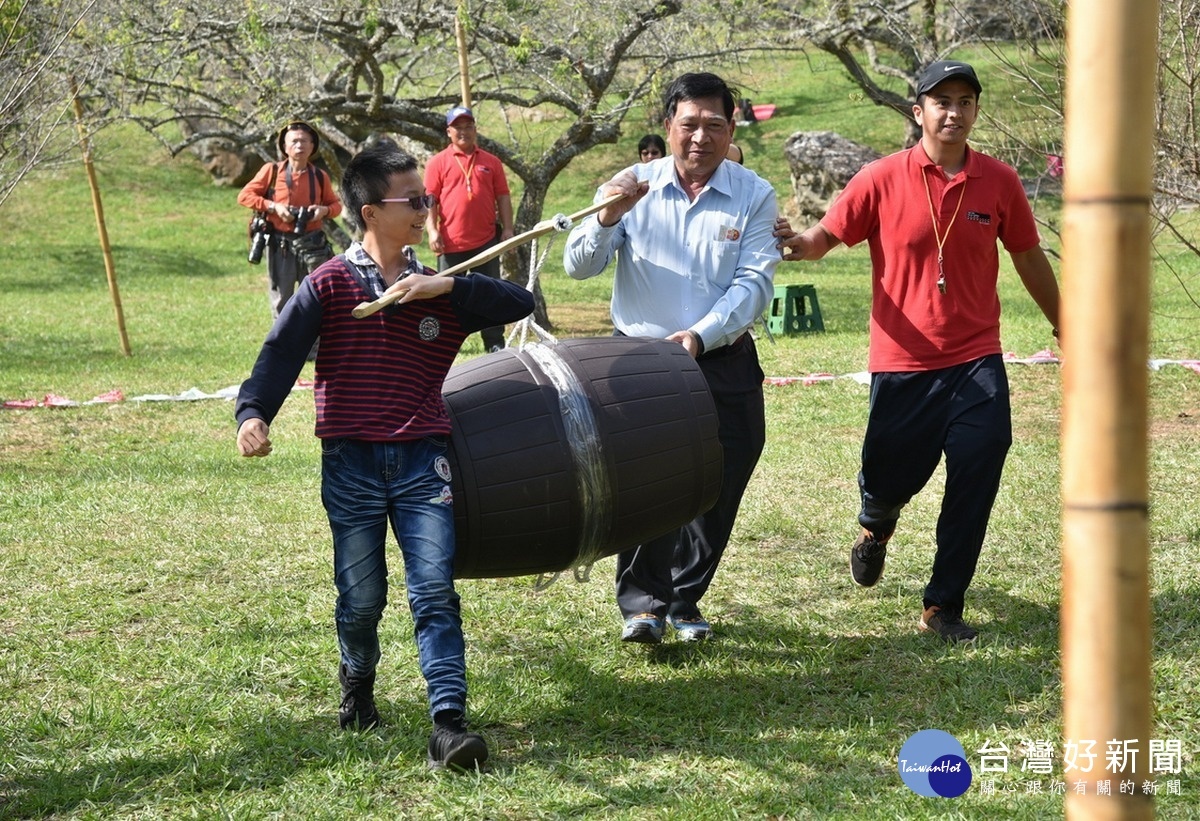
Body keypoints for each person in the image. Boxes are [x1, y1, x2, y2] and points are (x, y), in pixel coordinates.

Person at [234, 143, 535, 769]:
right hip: (350, 463)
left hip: (425, 459)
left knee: (433, 591)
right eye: (414, 200)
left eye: (426, 198)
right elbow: (279, 355)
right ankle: (358, 686)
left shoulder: (440, 291)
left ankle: (448, 722)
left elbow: (519, 304)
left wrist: (445, 284)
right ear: (371, 212)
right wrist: (253, 414)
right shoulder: (330, 284)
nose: (427, 209)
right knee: (362, 597)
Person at [776, 60, 1061, 643]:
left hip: (976, 355)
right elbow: (825, 236)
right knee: (890, 475)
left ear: (976, 111)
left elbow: (1029, 256)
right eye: (941, 101)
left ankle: (943, 604)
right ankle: (875, 526)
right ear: (919, 112)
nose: (952, 111)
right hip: (903, 359)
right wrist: (800, 245)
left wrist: (1067, 324)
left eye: (964, 101)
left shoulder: (999, 182)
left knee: (979, 464)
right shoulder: (879, 177)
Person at [564, 72, 779, 644]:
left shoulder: (754, 193)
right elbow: (578, 265)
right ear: (667, 126)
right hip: (639, 358)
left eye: (714, 125)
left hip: (720, 356)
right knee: (648, 477)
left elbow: (754, 283)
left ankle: (685, 597)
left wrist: (699, 337)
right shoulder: (633, 185)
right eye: (689, 124)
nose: (700, 137)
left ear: (732, 127)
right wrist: (608, 214)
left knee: (727, 470)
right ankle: (642, 604)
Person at [424, 106, 516, 353]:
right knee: (446, 296)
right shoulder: (437, 163)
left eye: (468, 126)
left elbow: (503, 197)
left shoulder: (491, 161)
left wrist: (507, 229)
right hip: (450, 243)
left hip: (486, 240)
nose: (463, 132)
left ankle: (494, 343)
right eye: (458, 127)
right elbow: (430, 199)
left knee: (490, 293)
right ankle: (446, 345)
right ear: (449, 132)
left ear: (475, 129)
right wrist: (432, 231)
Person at [238, 121, 343, 322]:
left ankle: (313, 347)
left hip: (312, 245)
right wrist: (273, 207)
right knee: (282, 298)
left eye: (304, 141)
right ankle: (282, 347)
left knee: (313, 296)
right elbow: (244, 196)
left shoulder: (320, 177)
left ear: (312, 146)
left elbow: (336, 206)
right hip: (280, 244)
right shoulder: (272, 171)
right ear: (285, 147)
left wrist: (324, 211)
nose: (299, 146)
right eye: (294, 141)